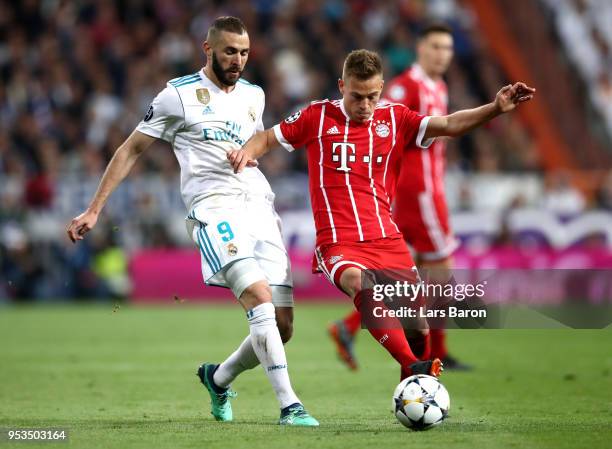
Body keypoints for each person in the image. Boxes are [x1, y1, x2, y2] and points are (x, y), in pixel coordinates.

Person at [66, 16, 318, 427]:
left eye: (244, 53)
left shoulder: (254, 94)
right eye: (229, 52)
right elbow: (131, 150)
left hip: (259, 207)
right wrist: (95, 208)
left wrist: (250, 153)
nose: (237, 60)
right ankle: (291, 405)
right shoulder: (177, 96)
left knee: (283, 326)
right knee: (258, 297)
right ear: (208, 49)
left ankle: (218, 379)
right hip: (213, 207)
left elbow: (255, 143)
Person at [228, 49, 534, 380]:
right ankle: (411, 366)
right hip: (339, 242)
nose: (365, 105)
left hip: (387, 240)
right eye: (357, 96)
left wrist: (495, 108)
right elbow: (267, 138)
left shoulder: (395, 118)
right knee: (359, 282)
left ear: (382, 88)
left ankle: (416, 388)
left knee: (418, 328)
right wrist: (247, 151)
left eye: (372, 96)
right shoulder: (316, 117)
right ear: (342, 85)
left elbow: (448, 124)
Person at [328, 24, 470, 371]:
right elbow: (383, 123)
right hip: (418, 190)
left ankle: (349, 326)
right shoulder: (406, 86)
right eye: (435, 46)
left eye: (447, 48)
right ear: (420, 48)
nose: (442, 54)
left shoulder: (438, 85)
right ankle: (438, 351)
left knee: (408, 275)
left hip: (424, 186)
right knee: (442, 269)